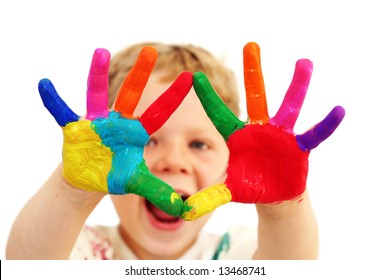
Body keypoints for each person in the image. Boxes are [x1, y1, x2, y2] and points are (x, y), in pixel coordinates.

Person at [6, 41, 343, 260]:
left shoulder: (233, 255)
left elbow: (292, 267)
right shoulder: (82, 251)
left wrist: (283, 208)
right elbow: (26, 265)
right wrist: (72, 191)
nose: (174, 162)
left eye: (199, 144)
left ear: (230, 162)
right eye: (149, 141)